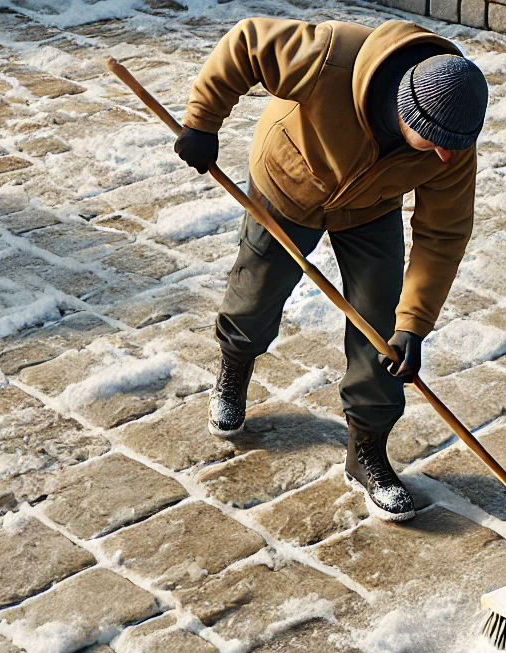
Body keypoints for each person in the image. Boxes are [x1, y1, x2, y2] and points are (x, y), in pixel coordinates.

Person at [175, 17, 488, 520]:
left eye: (456, 146)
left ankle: (367, 452)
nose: (447, 156)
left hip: (370, 208)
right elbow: (247, 43)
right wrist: (201, 122)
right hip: (288, 183)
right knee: (254, 297)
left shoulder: (452, 148)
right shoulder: (331, 57)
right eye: (434, 142)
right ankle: (234, 371)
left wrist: (414, 324)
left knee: (383, 329)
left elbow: (444, 234)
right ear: (405, 111)